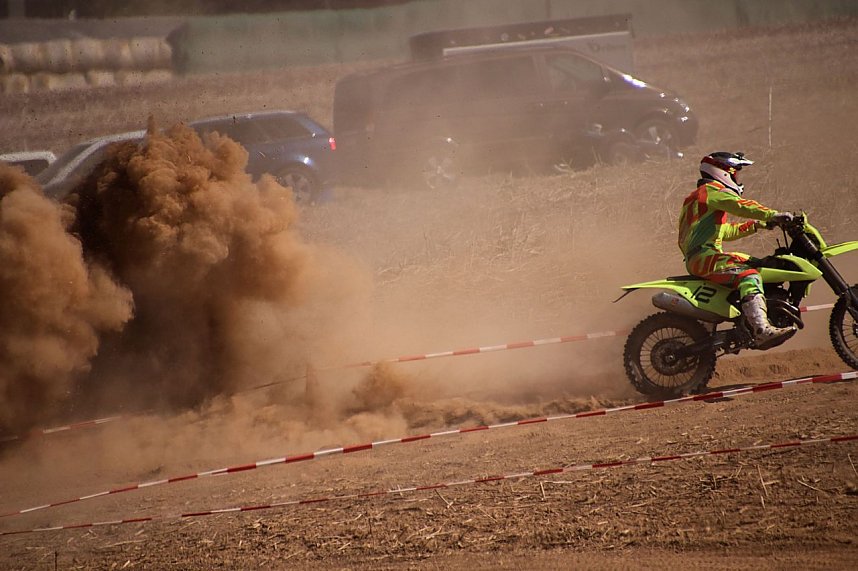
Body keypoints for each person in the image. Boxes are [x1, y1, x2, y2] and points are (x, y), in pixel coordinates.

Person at [677, 151, 795, 347]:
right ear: (724, 172)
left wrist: (757, 225)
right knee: (750, 276)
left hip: (704, 255)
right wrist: (772, 215)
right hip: (703, 257)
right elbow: (740, 205)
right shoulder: (710, 191)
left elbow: (725, 231)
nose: (737, 179)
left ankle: (748, 317)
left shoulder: (700, 197)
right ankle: (760, 330)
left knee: (756, 264)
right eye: (735, 174)